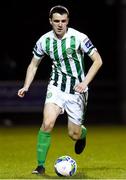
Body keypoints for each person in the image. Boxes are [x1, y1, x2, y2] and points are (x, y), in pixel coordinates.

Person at [17, 5, 103, 175]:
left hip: (77, 90)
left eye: (63, 21)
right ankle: (40, 166)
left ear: (68, 21)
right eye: (56, 21)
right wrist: (26, 85)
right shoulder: (44, 41)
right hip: (56, 87)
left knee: (73, 134)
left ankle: (82, 134)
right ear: (50, 21)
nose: (60, 24)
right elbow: (33, 65)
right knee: (47, 123)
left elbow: (98, 60)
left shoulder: (79, 37)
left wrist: (85, 82)